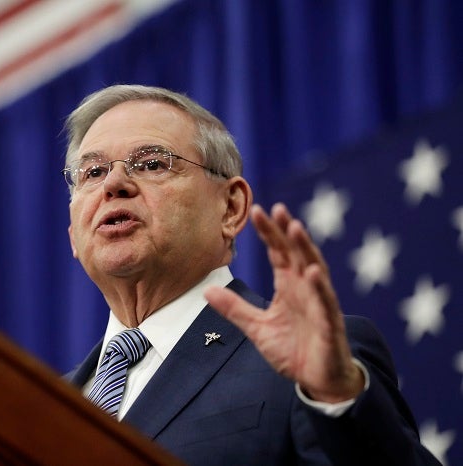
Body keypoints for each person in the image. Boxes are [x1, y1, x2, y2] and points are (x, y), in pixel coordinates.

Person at [62, 84, 440, 465]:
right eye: (92, 172)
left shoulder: (305, 362)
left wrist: (336, 395)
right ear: (73, 235)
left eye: (153, 163)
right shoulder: (46, 402)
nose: (113, 185)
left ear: (230, 207)